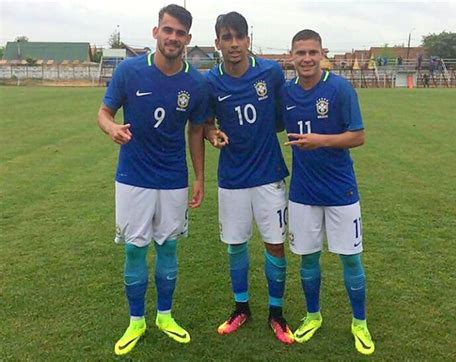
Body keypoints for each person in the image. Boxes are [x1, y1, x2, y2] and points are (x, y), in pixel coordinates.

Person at [97, 4, 210, 356]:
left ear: (188, 40)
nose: (173, 37)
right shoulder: (130, 71)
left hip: (173, 178)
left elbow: (196, 130)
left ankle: (164, 315)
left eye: (180, 33)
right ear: (156, 32)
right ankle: (136, 321)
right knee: (134, 247)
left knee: (169, 246)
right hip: (133, 177)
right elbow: (104, 112)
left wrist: (200, 177)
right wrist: (112, 127)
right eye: (168, 30)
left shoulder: (196, 81)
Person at [280, 29, 375, 355]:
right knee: (308, 259)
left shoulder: (339, 89)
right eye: (300, 53)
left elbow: (358, 136)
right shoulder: (286, 92)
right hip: (303, 192)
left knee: (351, 259)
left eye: (312, 52)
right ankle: (312, 315)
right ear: (291, 56)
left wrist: (321, 141)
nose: (306, 58)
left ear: (322, 54)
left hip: (340, 191)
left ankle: (359, 322)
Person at [204, 12, 294, 344]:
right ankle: (241, 307)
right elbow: (205, 123)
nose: (233, 44)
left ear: (248, 40)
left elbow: (285, 116)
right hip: (231, 178)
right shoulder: (210, 81)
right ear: (217, 44)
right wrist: (213, 134)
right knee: (235, 245)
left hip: (268, 174)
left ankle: (276, 313)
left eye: (238, 37)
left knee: (275, 243)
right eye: (226, 38)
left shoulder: (270, 72)